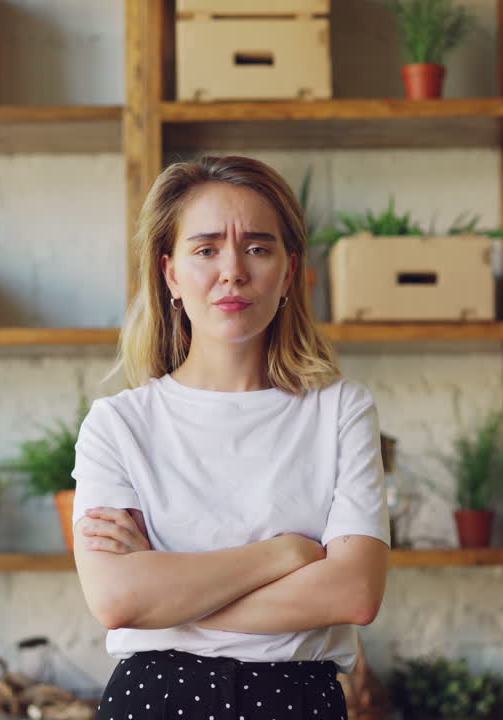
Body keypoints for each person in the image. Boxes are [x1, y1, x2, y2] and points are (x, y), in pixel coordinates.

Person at [70, 155, 390, 720]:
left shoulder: (340, 410)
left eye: (258, 249)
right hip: (154, 700)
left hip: (296, 701)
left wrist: (168, 595)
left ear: (290, 271)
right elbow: (117, 599)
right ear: (170, 273)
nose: (233, 272)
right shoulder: (118, 425)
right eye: (206, 249)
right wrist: (285, 554)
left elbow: (354, 595)